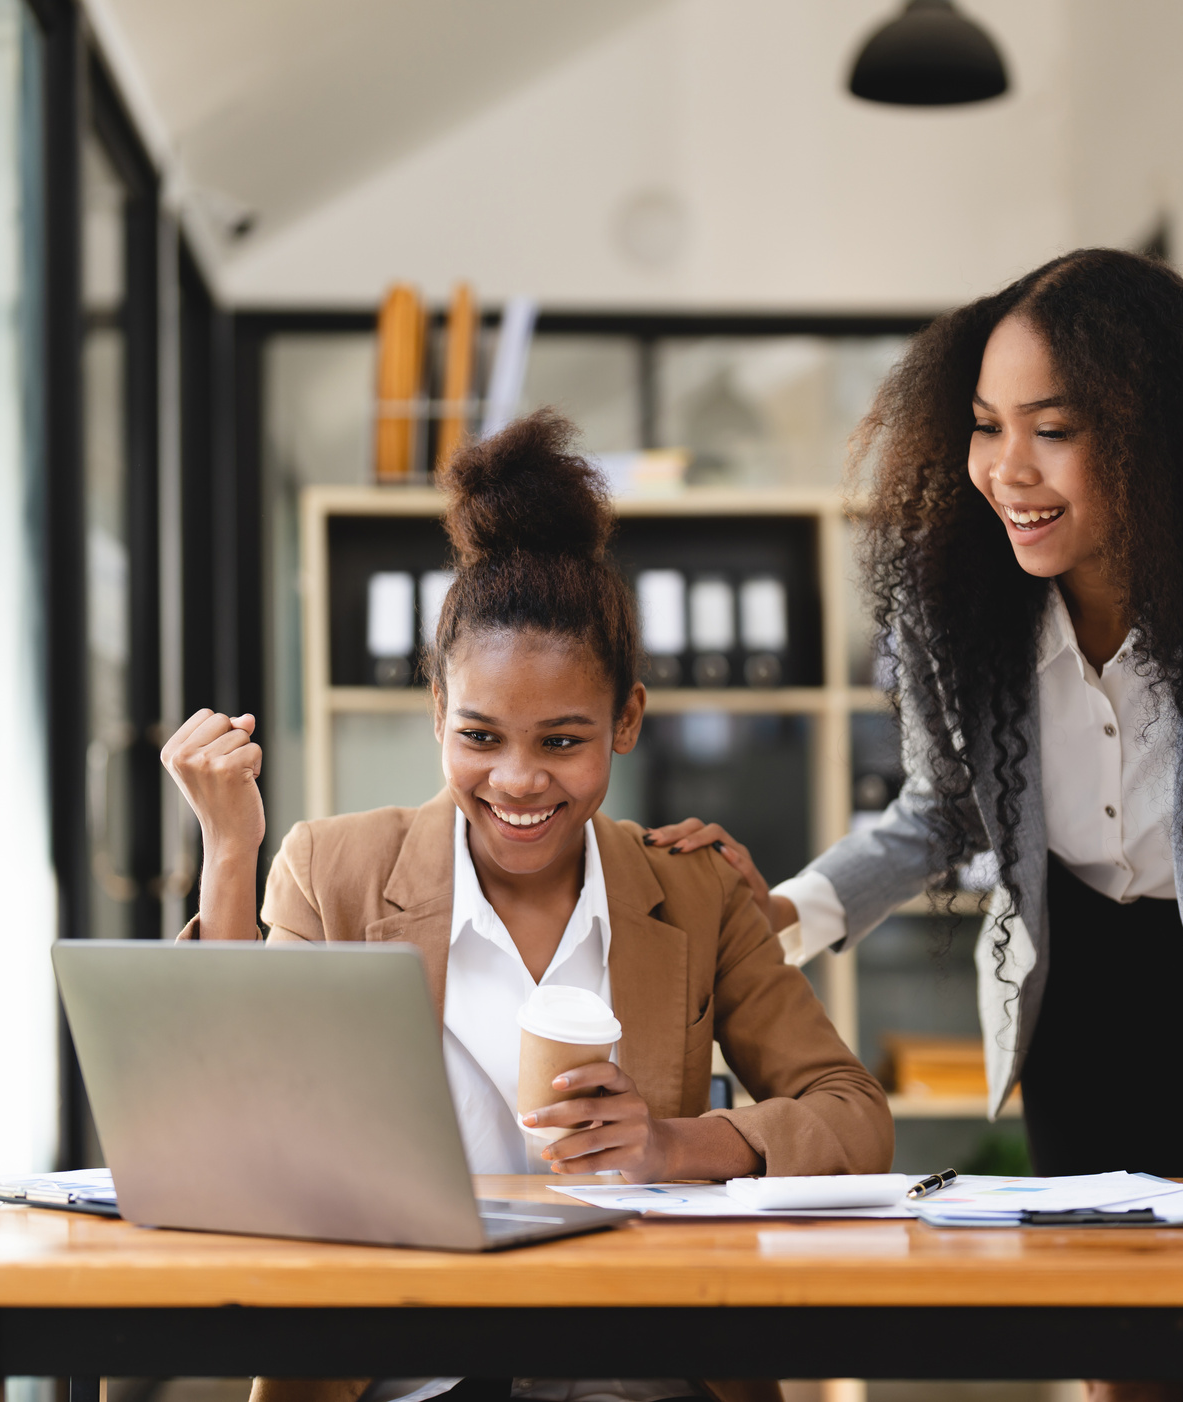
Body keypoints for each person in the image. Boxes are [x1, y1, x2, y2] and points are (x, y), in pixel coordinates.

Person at [648, 250, 1183, 1402]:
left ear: (1153, 435)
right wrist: (779, 914)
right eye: (987, 426)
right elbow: (943, 811)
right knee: (1115, 1367)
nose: (1007, 470)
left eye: (1053, 429)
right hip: (1080, 1007)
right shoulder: (960, 606)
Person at [162, 410, 891, 1402]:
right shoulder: (331, 870)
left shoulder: (691, 889)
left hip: (633, 1358)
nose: (517, 781)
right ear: (436, 713)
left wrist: (674, 1146)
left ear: (626, 719)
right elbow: (227, 1124)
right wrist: (229, 853)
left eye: (560, 741)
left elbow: (851, 1118)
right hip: (404, 1366)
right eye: (480, 736)